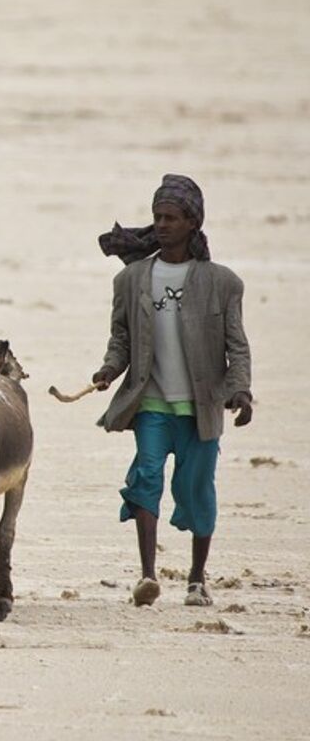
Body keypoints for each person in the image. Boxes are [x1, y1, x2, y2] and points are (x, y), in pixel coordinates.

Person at [91, 174, 253, 608]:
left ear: (191, 224)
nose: (162, 225)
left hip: (200, 407)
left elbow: (236, 344)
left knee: (198, 489)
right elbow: (121, 338)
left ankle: (197, 579)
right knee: (145, 477)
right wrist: (109, 369)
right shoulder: (131, 280)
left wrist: (241, 391)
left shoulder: (222, 282)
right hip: (152, 403)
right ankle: (147, 576)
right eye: (157, 217)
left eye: (171, 218)